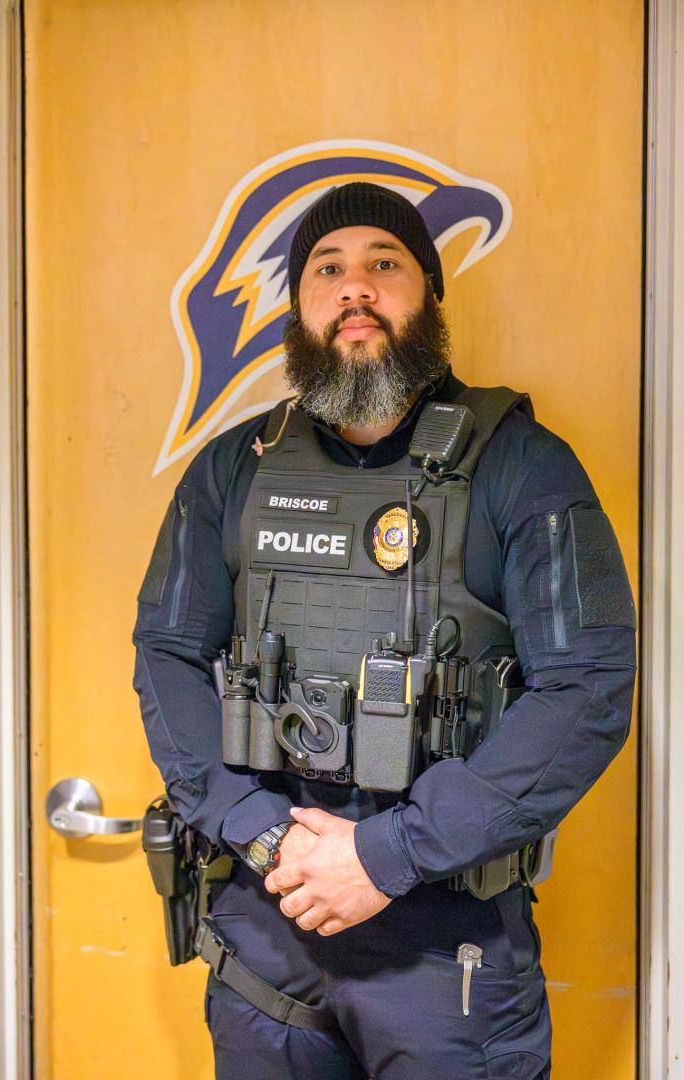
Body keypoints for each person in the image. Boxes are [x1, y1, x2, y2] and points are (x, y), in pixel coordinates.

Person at [133, 182, 636, 1080]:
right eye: (327, 268)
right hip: (265, 930)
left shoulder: (523, 466)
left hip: (446, 955)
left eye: (384, 264)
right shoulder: (233, 469)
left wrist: (387, 855)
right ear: (299, 305)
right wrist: (259, 831)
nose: (354, 288)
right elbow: (166, 653)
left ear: (428, 297)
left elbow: (588, 689)